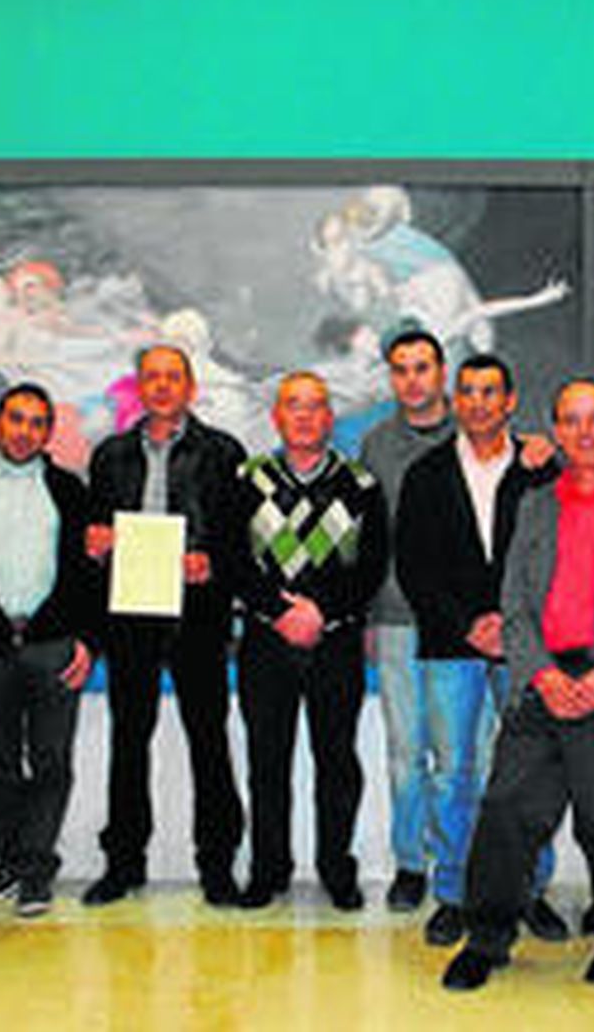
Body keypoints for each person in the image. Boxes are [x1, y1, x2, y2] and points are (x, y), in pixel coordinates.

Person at [440, 379, 594, 992]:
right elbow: (516, 601)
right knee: (505, 812)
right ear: (554, 430)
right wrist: (545, 674)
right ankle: (488, 937)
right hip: (544, 683)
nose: (583, 432)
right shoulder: (535, 504)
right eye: (570, 420)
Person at [396, 354, 558, 947]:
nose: (479, 402)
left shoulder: (542, 469)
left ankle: (530, 892)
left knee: (528, 774)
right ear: (455, 401)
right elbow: (414, 566)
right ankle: (455, 895)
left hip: (527, 646)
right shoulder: (426, 474)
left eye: (491, 391)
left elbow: (557, 560)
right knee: (453, 775)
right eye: (467, 392)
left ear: (510, 400)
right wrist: (468, 625)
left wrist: (513, 626)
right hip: (451, 647)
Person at [82, 344, 247, 907]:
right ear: (138, 386)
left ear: (190, 386)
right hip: (130, 614)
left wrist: (213, 563)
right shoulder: (110, 456)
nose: (160, 386)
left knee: (209, 740)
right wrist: (96, 544)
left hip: (198, 616)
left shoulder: (223, 453)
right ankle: (123, 863)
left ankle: (218, 865)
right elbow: (92, 533)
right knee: (129, 741)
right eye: (150, 377)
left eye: (172, 377)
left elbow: (239, 539)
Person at [232, 371, 388, 910]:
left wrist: (322, 612)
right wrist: (279, 611)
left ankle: (336, 870)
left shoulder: (361, 484)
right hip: (264, 644)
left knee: (337, 763)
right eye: (293, 406)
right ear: (277, 416)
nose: (304, 415)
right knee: (266, 763)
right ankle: (267, 870)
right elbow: (234, 562)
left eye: (315, 406)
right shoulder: (247, 479)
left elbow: (371, 567)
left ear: (330, 417)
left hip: (335, 644)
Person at [0, 383, 100, 918]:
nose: (25, 430)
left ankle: (38, 869)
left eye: (37, 422)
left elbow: (90, 575)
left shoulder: (70, 490)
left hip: (52, 647)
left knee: (50, 762)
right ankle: (9, 860)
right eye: (16, 419)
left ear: (48, 432)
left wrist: (89, 640)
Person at [358, 329, 450, 912]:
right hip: (394, 620)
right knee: (404, 752)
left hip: (460, 627)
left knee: (462, 757)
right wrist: (368, 611)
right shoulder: (375, 445)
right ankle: (411, 863)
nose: (413, 379)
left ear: (442, 371)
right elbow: (369, 539)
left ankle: (458, 865)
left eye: (422, 367)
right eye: (401, 369)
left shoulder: (476, 432)